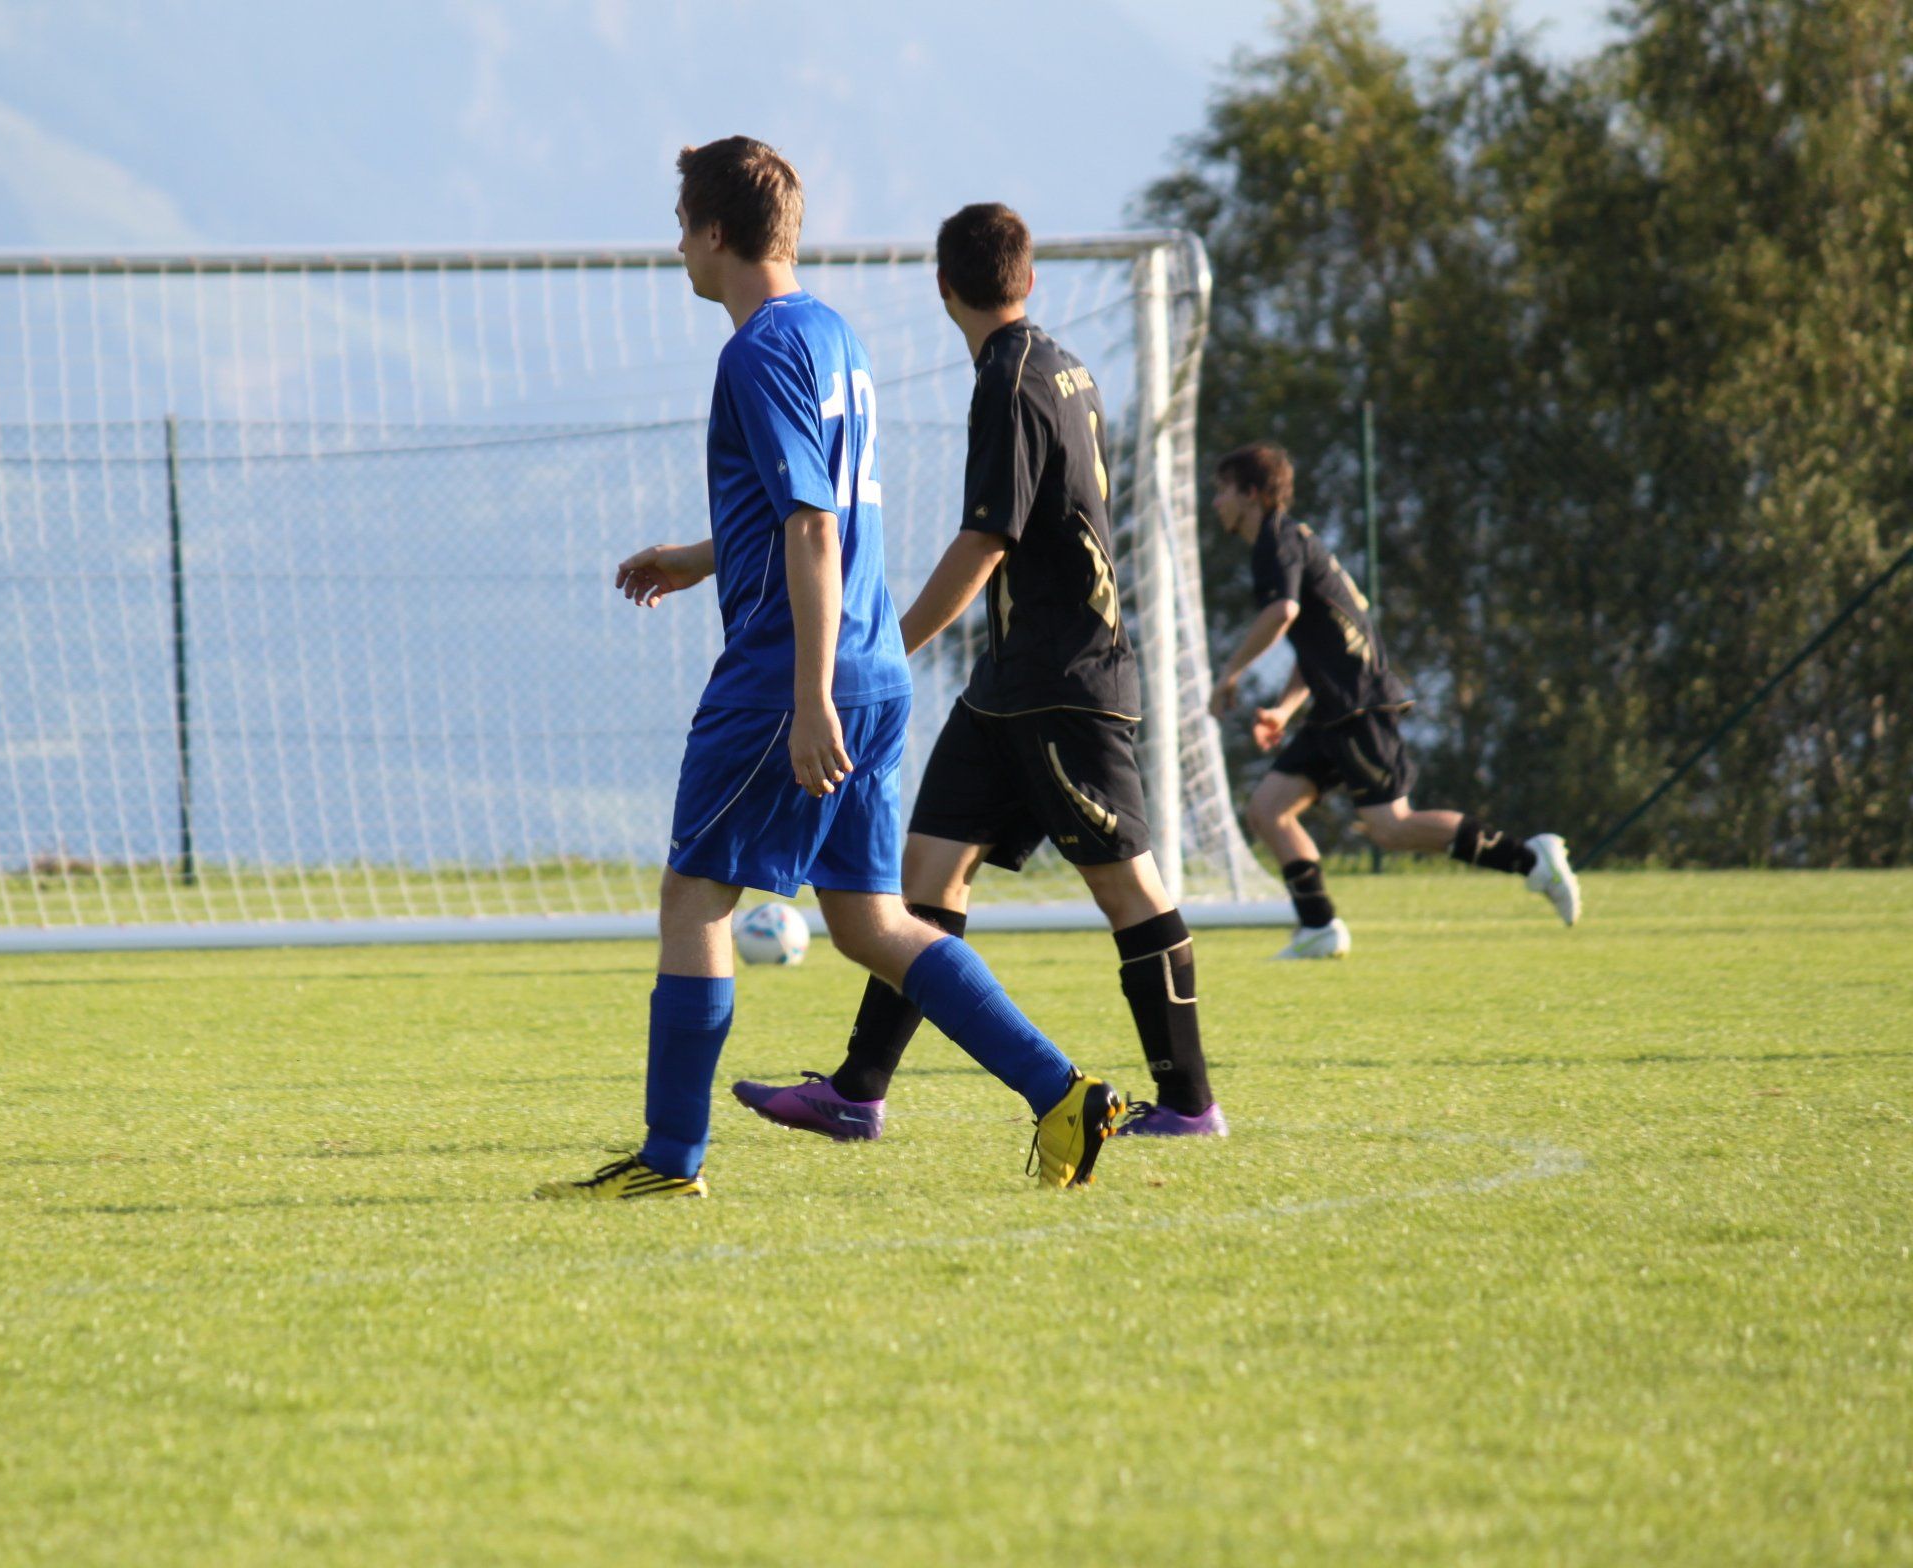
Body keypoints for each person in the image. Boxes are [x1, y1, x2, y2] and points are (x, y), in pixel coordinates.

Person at [536, 142, 1124, 1201]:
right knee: (870, 922)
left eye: (682, 226)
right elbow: (819, 508)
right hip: (875, 665)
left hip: (788, 675)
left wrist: (807, 698)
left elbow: (814, 525)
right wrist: (703, 554)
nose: (678, 247)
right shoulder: (833, 335)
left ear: (717, 233)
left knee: (695, 894)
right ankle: (1062, 1091)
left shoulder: (756, 351)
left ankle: (670, 1159)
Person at [731, 203, 1225, 1145]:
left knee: (1127, 886)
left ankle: (1191, 1104)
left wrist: (890, 646)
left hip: (1064, 682)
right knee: (925, 875)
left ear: (943, 287)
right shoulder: (1065, 363)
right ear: (1027, 278)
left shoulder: (1007, 378)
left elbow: (986, 540)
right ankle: (857, 1090)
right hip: (1007, 684)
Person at [1207, 441, 1580, 958]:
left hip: (1359, 704)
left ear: (1252, 493)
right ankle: (1318, 927)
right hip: (1335, 706)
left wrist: (1229, 673)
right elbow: (1318, 644)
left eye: (1223, 490)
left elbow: (1283, 613)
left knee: (1393, 826)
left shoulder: (1277, 540)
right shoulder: (1287, 540)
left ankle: (1531, 859)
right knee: (1268, 810)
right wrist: (1285, 710)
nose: (1216, 503)